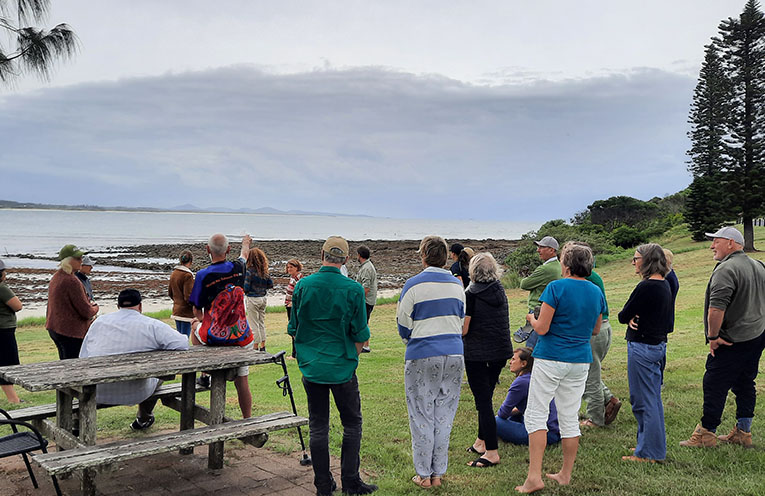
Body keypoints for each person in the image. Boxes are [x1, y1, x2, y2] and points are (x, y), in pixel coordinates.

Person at [288, 236, 376, 496]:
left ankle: (323, 485)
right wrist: (352, 357)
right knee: (351, 424)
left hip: (313, 366)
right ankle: (350, 481)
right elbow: (361, 333)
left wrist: (306, 355)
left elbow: (294, 328)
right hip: (342, 367)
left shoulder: (303, 286)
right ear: (346, 260)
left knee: (318, 425)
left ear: (321, 254)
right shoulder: (353, 289)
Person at [516, 242, 605, 494]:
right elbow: (596, 329)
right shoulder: (596, 291)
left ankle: (534, 477)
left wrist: (531, 319)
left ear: (565, 264)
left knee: (536, 414)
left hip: (550, 357)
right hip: (579, 360)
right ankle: (565, 474)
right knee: (569, 416)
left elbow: (542, 328)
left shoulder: (555, 287)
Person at [679, 227, 765, 448]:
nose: (711, 246)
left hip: (732, 339)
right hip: (756, 336)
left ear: (730, 243)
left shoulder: (726, 269)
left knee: (714, 384)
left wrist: (713, 336)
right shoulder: (759, 265)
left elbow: (716, 309)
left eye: (715, 242)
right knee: (746, 383)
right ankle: (743, 432)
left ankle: (706, 434)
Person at [397, 235, 465, 489]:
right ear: (446, 256)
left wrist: (412, 340)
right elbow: (459, 318)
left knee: (421, 413)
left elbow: (403, 324)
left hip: (423, 352)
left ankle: (424, 473)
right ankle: (438, 472)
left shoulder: (413, 285)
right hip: (454, 352)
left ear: (423, 255)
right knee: (444, 414)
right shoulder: (457, 285)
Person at [79, 289, 189, 429]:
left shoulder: (99, 322)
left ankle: (77, 423)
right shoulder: (151, 325)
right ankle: (144, 416)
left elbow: (83, 356)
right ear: (140, 306)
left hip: (97, 389)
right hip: (137, 392)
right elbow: (182, 343)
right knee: (159, 377)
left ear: (118, 306)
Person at [618, 243, 672, 462]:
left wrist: (631, 317)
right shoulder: (665, 284)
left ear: (647, 261)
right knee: (652, 399)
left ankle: (649, 452)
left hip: (642, 348)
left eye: (636, 258)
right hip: (656, 346)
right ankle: (648, 444)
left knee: (643, 400)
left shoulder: (647, 286)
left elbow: (623, 315)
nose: (633, 262)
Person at [189, 233, 253, 418]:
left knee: (194, 326)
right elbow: (244, 255)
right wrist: (246, 242)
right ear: (228, 250)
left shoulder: (203, 275)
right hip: (242, 337)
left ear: (208, 250)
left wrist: (200, 321)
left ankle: (205, 372)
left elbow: (196, 309)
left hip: (215, 337)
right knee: (242, 381)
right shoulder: (239, 268)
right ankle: (247, 419)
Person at [462, 252, 513, 467]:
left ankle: (491, 452)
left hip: (478, 354)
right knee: (485, 397)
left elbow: (464, 329)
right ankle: (481, 441)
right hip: (499, 352)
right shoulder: (499, 289)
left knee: (483, 402)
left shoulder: (471, 294)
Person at [580, 248, 621, 428]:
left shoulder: (587, 280)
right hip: (602, 328)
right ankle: (609, 400)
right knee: (590, 373)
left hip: (594, 332)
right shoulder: (594, 277)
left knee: (590, 377)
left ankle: (595, 419)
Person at [495, 347, 560, 446]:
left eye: (513, 359)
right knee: (512, 417)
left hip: (545, 434)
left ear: (523, 364)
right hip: (554, 429)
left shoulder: (521, 382)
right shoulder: (536, 377)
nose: (510, 362)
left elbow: (503, 413)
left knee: (493, 421)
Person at [46, 244, 99, 359]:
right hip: (70, 332)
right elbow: (86, 311)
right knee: (74, 367)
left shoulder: (58, 276)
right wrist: (95, 307)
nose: (81, 261)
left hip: (56, 328)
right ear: (68, 261)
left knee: (65, 363)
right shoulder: (71, 281)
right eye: (78, 258)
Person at [514, 236, 561, 347]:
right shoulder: (558, 266)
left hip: (538, 310)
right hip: (550, 309)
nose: (538, 250)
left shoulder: (545, 269)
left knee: (531, 346)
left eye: (541, 247)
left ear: (551, 250)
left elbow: (524, 284)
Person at [0, 259, 23, 403]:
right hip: (4, 330)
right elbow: (18, 305)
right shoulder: (2, 288)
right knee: (8, 364)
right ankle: (13, 399)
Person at [244, 247, 274, 352]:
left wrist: (247, 291)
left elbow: (246, 287)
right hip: (263, 298)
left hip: (253, 298)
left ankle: (255, 347)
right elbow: (270, 285)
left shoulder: (249, 271)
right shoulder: (264, 271)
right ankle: (263, 346)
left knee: (253, 324)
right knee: (261, 323)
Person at [661, 248, 679, 384]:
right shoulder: (671, 275)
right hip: (666, 318)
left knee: (660, 349)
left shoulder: (668, 279)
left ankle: (659, 379)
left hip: (663, 319)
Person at [355, 245, 378, 353]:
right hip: (368, 299)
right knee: (364, 321)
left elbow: (366, 288)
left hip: (366, 300)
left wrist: (358, 300)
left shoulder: (366, 268)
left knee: (363, 322)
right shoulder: (366, 266)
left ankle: (365, 345)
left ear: (359, 255)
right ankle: (365, 344)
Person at [168, 250, 195, 336]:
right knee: (184, 337)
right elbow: (188, 296)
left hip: (176, 309)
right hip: (186, 312)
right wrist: (196, 306)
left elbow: (170, 293)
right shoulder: (188, 275)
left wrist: (177, 301)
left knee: (179, 336)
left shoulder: (174, 273)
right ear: (191, 261)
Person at [284, 258, 303, 360]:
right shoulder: (292, 277)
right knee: (293, 329)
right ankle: (295, 353)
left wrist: (293, 303)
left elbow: (301, 292)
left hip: (293, 307)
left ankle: (295, 354)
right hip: (289, 305)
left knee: (294, 329)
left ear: (297, 267)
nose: (289, 269)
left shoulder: (298, 278)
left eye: (291, 267)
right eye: (288, 267)